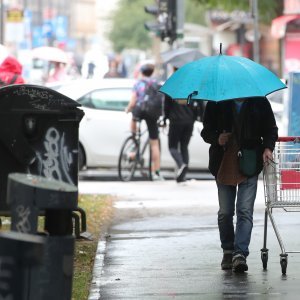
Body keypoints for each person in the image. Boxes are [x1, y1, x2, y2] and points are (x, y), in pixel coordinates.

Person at [201, 98, 278, 272]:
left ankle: (240, 253)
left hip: (249, 162)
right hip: (223, 163)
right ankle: (228, 250)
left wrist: (267, 148)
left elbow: (271, 129)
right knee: (225, 212)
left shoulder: (259, 101)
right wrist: (217, 138)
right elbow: (206, 131)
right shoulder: (217, 102)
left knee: (244, 210)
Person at [164, 67, 203, 182]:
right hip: (189, 121)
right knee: (184, 147)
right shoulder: (192, 87)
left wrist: (165, 117)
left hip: (175, 121)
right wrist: (198, 117)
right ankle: (182, 175)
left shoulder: (171, 86)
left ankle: (181, 165)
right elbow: (200, 104)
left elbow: (167, 106)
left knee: (172, 147)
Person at [125, 63, 164, 181]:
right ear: (152, 72)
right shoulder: (157, 84)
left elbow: (133, 101)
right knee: (154, 143)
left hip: (140, 111)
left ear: (142, 72)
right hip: (152, 113)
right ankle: (156, 171)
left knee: (133, 118)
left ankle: (134, 140)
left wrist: (128, 109)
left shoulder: (138, 83)